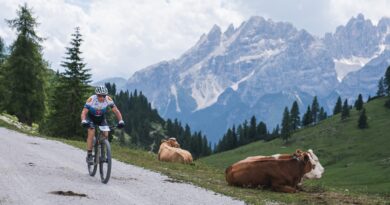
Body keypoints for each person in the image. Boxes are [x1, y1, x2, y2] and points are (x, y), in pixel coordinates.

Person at [81, 85, 125, 164]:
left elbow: (116, 111)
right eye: (99, 96)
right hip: (91, 118)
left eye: (103, 96)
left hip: (101, 118)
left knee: (106, 134)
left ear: (106, 95)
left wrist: (121, 120)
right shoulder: (91, 99)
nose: (101, 98)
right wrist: (83, 120)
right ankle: (89, 155)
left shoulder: (108, 99)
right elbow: (84, 111)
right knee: (91, 133)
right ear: (96, 95)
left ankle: (103, 153)